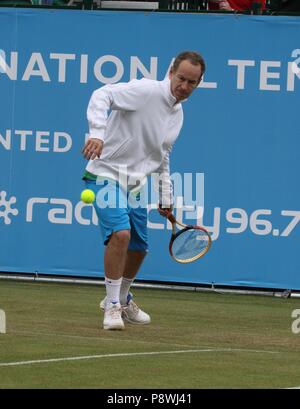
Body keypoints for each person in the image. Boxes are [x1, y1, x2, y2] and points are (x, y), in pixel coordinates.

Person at [81, 51, 205, 330]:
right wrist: (97, 133)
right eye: (181, 78)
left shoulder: (178, 114)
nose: (184, 86)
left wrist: (165, 197)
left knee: (139, 249)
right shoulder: (146, 90)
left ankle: (122, 299)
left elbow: (162, 156)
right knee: (121, 234)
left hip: (135, 184)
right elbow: (102, 95)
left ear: (198, 84)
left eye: (192, 82)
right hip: (104, 174)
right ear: (171, 71)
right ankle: (111, 307)